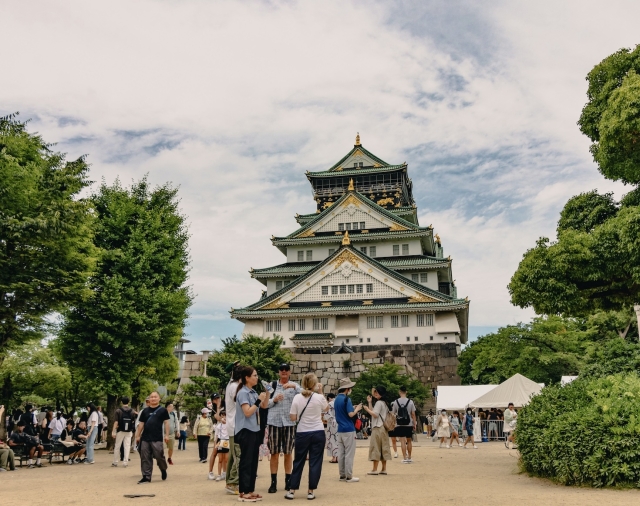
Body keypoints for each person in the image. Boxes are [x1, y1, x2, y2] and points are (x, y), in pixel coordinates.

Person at [285, 373, 329, 500]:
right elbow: (326, 409)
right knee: (315, 461)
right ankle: (311, 491)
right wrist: (321, 391)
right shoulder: (319, 397)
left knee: (298, 460)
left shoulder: (297, 398)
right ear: (314, 385)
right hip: (318, 431)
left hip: (302, 432)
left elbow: (292, 417)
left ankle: (292, 490)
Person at [266, 363, 302, 494]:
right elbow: (265, 404)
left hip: (289, 422)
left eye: (286, 369)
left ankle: (288, 480)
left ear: (290, 372)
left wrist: (294, 386)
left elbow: (305, 394)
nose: (284, 371)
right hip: (274, 422)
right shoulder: (272, 385)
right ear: (278, 372)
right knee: (274, 453)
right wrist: (274, 400)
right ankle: (273, 482)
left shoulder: (294, 386)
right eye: (282, 369)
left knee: (288, 452)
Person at [235, 365, 268, 502]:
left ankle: (250, 489)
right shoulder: (243, 392)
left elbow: (264, 406)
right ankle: (243, 491)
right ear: (247, 378)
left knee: (254, 461)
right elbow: (247, 412)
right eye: (254, 375)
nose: (257, 377)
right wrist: (259, 399)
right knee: (246, 461)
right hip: (245, 430)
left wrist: (267, 393)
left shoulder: (253, 392)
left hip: (255, 429)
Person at [135, 391, 170, 484]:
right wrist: (138, 435)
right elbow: (141, 423)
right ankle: (146, 476)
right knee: (145, 457)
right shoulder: (145, 411)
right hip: (145, 438)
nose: (153, 398)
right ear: (149, 399)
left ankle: (163, 469)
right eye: (151, 397)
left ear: (159, 399)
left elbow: (166, 422)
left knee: (159, 456)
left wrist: (167, 435)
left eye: (155, 397)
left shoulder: (163, 410)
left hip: (157, 437)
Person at [334, 377, 362, 483]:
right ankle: (349, 476)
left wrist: (353, 408)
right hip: (349, 429)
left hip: (340, 429)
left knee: (341, 453)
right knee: (349, 453)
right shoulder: (347, 399)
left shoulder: (337, 399)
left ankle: (342, 475)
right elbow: (351, 414)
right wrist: (357, 409)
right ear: (347, 389)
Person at [364, 385, 392, 475]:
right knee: (384, 447)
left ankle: (374, 469)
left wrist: (367, 409)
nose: (375, 393)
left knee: (375, 447)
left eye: (377, 392)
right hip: (383, 428)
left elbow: (374, 414)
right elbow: (375, 412)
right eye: (375, 392)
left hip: (377, 427)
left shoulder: (379, 403)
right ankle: (384, 468)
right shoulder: (385, 403)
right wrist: (370, 402)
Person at [225, 361, 243, 496]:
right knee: (238, 455)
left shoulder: (231, 384)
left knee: (233, 455)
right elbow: (241, 402)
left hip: (233, 425)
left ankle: (230, 482)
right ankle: (233, 482)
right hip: (236, 426)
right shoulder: (235, 387)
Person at [391, 387, 417, 462]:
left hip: (399, 423)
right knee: (409, 440)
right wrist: (414, 423)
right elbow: (413, 414)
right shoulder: (410, 402)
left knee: (402, 440)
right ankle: (409, 457)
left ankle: (404, 458)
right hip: (408, 423)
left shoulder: (396, 402)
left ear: (399, 392)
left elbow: (393, 413)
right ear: (406, 392)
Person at [112, 396, 135, 467]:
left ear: (121, 402)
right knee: (127, 446)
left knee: (117, 446)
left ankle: (115, 461)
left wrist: (113, 431)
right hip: (129, 431)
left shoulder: (118, 411)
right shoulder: (132, 411)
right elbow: (133, 421)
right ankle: (125, 462)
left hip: (120, 430)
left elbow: (116, 422)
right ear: (129, 402)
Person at [212, 411, 229, 481]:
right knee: (220, 459)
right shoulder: (218, 426)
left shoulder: (229, 425)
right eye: (222, 416)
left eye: (224, 416)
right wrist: (215, 445)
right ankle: (219, 474)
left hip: (227, 441)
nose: (223, 418)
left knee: (226, 459)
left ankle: (226, 474)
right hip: (220, 441)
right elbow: (216, 436)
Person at [324, 393, 338, 463]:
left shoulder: (330, 404)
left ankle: (334, 457)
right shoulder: (338, 402)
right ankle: (338, 456)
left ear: (329, 398)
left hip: (331, 423)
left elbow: (327, 415)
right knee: (337, 440)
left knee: (332, 440)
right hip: (339, 423)